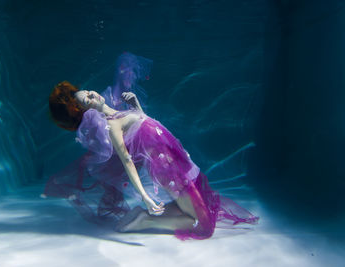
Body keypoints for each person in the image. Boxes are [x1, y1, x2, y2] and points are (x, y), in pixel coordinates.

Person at [44, 53, 258, 240]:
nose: (93, 94)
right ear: (88, 112)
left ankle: (156, 216)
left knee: (203, 208)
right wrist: (146, 198)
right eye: (88, 99)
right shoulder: (112, 125)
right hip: (167, 170)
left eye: (89, 91)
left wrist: (136, 106)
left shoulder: (120, 112)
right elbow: (127, 160)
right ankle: (146, 220)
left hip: (176, 160)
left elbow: (147, 128)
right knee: (204, 227)